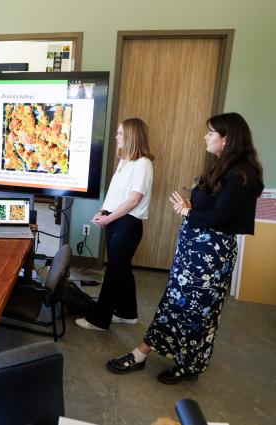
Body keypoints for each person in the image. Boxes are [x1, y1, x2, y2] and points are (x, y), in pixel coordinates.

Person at [106, 112, 263, 384]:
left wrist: (188, 211)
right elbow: (207, 205)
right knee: (176, 303)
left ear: (226, 139)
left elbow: (219, 217)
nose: (205, 136)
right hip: (194, 252)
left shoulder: (241, 174)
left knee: (197, 310)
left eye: (211, 133)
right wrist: (190, 209)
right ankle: (165, 357)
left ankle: (176, 361)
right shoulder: (220, 166)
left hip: (210, 256)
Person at [75, 117, 154, 331]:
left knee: (113, 274)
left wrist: (109, 218)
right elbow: (115, 193)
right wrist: (103, 210)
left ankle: (99, 320)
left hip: (127, 224)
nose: (116, 137)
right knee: (123, 270)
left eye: (120, 133)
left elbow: (133, 200)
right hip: (115, 220)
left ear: (131, 137)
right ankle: (128, 314)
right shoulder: (124, 161)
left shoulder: (143, 164)